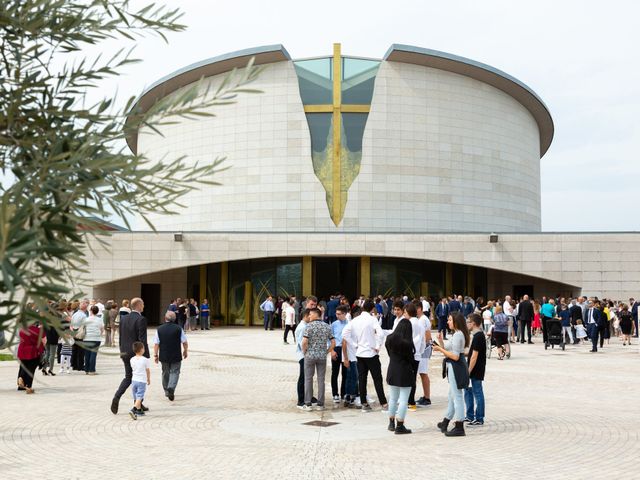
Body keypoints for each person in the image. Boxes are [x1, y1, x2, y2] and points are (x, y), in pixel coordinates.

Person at [433, 312, 470, 437]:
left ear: (456, 321)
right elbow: (449, 350)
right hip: (454, 367)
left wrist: (440, 349)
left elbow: (454, 356)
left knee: (457, 396)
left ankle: (459, 426)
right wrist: (440, 342)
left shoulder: (458, 335)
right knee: (452, 395)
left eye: (449, 320)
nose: (448, 322)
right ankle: (445, 421)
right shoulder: (456, 334)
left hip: (456, 367)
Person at [111, 297, 149, 415]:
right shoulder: (141, 319)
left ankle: (118, 396)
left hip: (125, 352)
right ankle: (137, 405)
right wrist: (145, 355)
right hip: (136, 354)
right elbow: (142, 339)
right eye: (142, 304)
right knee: (140, 378)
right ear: (138, 305)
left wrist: (121, 350)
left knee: (129, 377)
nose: (143, 306)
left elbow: (121, 337)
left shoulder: (124, 318)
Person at [349, 300, 388, 412]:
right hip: (371, 353)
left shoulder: (355, 320)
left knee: (362, 379)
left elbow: (345, 334)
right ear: (372, 309)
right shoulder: (372, 319)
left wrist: (354, 345)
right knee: (377, 379)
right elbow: (380, 333)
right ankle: (383, 403)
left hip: (360, 353)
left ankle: (364, 404)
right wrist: (377, 345)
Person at [384, 317, 415, 434]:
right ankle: (400, 425)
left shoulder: (389, 338)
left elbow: (388, 353)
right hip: (404, 372)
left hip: (392, 369)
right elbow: (411, 359)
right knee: (403, 400)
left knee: (392, 398)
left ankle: (391, 422)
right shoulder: (407, 343)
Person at [301, 307, 335, 411]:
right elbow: (333, 342)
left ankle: (308, 403)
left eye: (310, 314)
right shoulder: (327, 326)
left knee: (308, 379)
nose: (309, 316)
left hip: (310, 356)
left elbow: (304, 342)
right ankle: (320, 404)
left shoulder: (309, 326)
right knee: (321, 380)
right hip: (322, 356)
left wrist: (304, 351)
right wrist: (327, 351)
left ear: (316, 314)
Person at [153, 310, 188, 401]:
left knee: (165, 372)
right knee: (175, 372)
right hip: (176, 354)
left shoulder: (159, 329)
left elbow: (156, 343)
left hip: (164, 355)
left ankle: (166, 390)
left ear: (165, 318)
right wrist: (185, 351)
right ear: (174, 319)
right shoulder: (178, 328)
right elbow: (184, 342)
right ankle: (171, 387)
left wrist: (155, 355)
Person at [464, 313, 486, 426]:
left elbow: (474, 356)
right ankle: (469, 415)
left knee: (477, 392)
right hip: (474, 368)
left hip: (476, 369)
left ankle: (479, 418)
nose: (466, 324)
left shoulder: (478, 336)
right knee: (468, 392)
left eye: (468, 322)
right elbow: (471, 353)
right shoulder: (477, 335)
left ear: (473, 323)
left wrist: (468, 371)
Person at [17, 321, 45, 394]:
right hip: (33, 351)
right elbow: (44, 341)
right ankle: (28, 387)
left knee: (23, 367)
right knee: (31, 369)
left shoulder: (22, 329)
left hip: (22, 350)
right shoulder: (38, 330)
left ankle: (21, 379)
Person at [340, 305, 359, 407]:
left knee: (354, 377)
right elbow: (344, 343)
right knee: (352, 377)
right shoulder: (350, 326)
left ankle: (352, 396)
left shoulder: (358, 327)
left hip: (357, 356)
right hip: (350, 357)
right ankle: (349, 396)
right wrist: (346, 358)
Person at [330, 306, 348, 403]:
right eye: (336, 314)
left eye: (339, 314)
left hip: (345, 350)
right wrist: (331, 351)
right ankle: (335, 394)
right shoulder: (333, 324)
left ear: (345, 314)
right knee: (335, 373)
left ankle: (343, 393)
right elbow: (330, 339)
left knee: (345, 373)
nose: (337, 316)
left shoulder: (350, 324)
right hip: (336, 349)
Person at [294, 309, 312, 409]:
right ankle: (300, 401)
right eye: (311, 315)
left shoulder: (305, 326)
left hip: (305, 355)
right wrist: (307, 354)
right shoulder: (302, 327)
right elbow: (302, 344)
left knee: (306, 377)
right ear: (306, 315)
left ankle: (306, 397)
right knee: (303, 378)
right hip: (303, 356)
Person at [129, 341, 151, 420]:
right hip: (141, 381)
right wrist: (148, 379)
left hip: (134, 380)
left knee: (136, 396)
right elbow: (147, 370)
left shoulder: (131, 359)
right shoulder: (145, 360)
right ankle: (133, 409)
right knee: (140, 396)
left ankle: (138, 410)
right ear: (142, 350)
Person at [83, 305, 104, 375]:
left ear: (91, 311)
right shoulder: (100, 319)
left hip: (87, 338)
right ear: (97, 311)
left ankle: (86, 369)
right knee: (93, 354)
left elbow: (83, 328)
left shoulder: (86, 319)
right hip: (96, 338)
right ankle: (92, 370)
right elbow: (102, 329)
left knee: (87, 354)